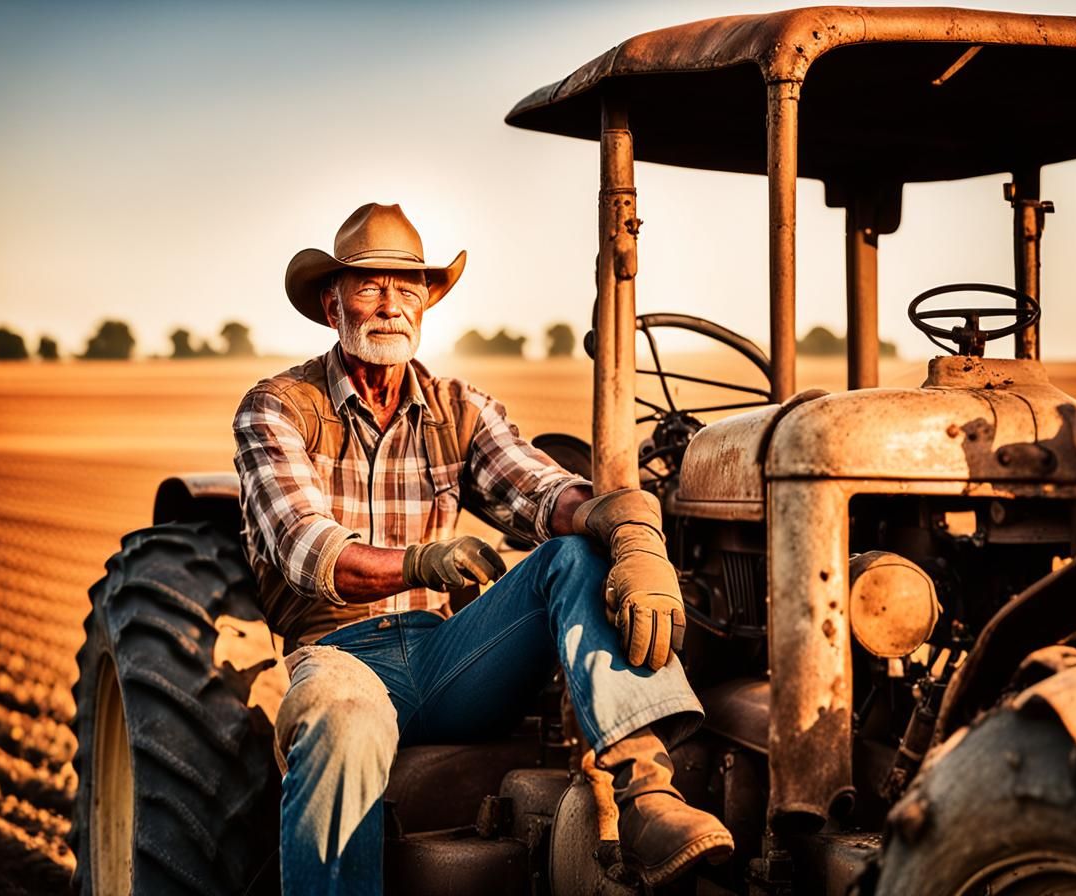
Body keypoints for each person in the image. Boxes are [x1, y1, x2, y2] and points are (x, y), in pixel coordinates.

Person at [233, 202, 733, 893]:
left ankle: (646, 794)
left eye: (408, 288)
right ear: (332, 304)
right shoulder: (278, 406)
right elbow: (305, 548)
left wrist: (629, 526)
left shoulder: (459, 408)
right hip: (341, 654)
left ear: (425, 303)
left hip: (447, 653)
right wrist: (420, 562)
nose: (391, 305)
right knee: (340, 719)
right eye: (369, 286)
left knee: (571, 557)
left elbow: (540, 492)